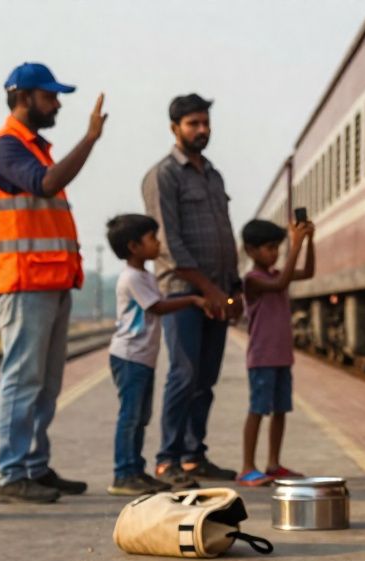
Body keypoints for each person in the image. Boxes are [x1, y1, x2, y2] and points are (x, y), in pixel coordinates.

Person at [0, 62, 106, 504]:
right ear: (24, 98)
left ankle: (35, 465)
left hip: (50, 279)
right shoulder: (6, 148)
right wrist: (90, 139)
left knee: (47, 383)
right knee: (22, 379)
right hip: (24, 281)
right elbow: (47, 185)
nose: (56, 105)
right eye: (50, 96)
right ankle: (11, 474)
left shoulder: (35, 149)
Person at [142, 93, 243, 488]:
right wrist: (208, 289)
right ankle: (167, 460)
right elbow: (169, 244)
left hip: (217, 291)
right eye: (193, 124)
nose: (202, 130)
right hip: (182, 292)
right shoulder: (163, 175)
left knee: (205, 379)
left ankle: (193, 456)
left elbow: (225, 234)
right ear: (175, 128)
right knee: (183, 374)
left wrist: (232, 288)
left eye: (205, 122)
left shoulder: (213, 175)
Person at [105, 214, 207, 495]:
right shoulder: (131, 278)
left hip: (142, 358)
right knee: (130, 417)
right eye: (152, 238)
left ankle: (135, 470)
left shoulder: (146, 276)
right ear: (134, 246)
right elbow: (157, 307)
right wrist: (193, 299)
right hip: (129, 357)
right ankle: (123, 473)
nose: (158, 243)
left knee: (140, 416)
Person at [236, 218, 315, 486]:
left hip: (282, 356)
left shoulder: (275, 274)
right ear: (250, 250)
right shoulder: (253, 280)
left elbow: (309, 272)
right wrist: (296, 244)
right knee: (258, 410)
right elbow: (281, 283)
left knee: (280, 410)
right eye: (269, 248)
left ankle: (273, 463)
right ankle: (247, 467)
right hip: (262, 358)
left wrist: (309, 240)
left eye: (277, 248)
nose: (275, 253)